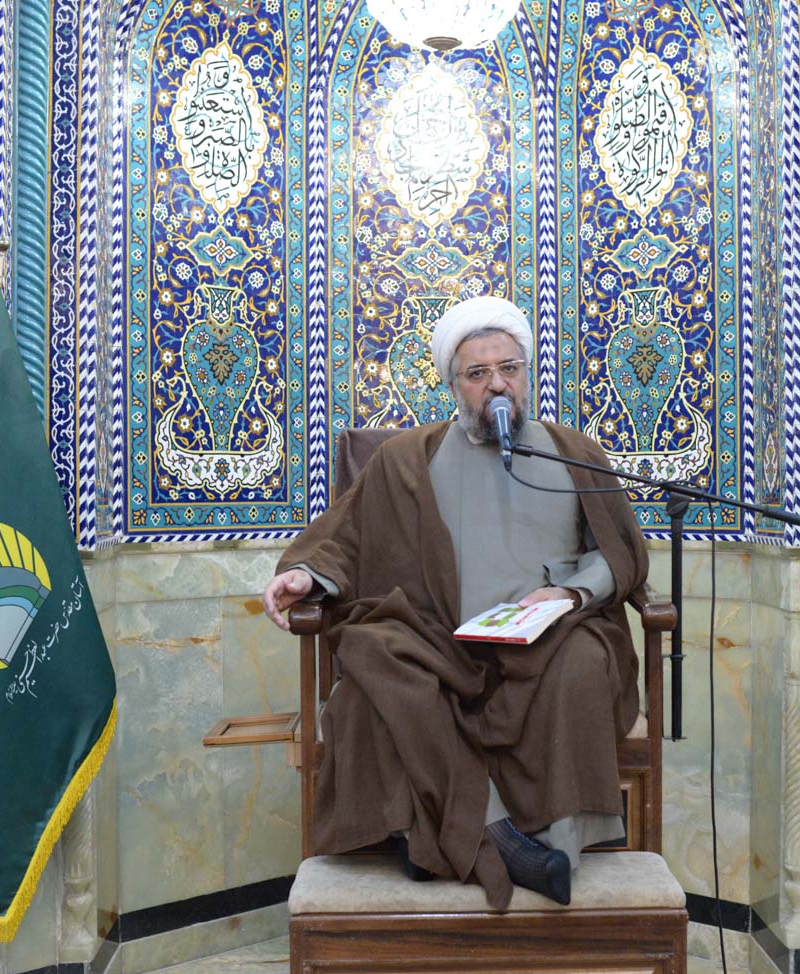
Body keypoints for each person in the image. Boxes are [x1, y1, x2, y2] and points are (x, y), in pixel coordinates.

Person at [261, 295, 648, 909]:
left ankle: (535, 842)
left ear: (527, 374)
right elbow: (346, 538)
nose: (497, 384)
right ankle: (494, 841)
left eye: (509, 369)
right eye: (478, 373)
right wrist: (308, 576)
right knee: (372, 656)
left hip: (546, 642)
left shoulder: (575, 454)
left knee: (584, 661)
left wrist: (572, 593)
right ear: (453, 384)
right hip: (438, 640)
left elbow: (619, 552)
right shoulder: (405, 460)